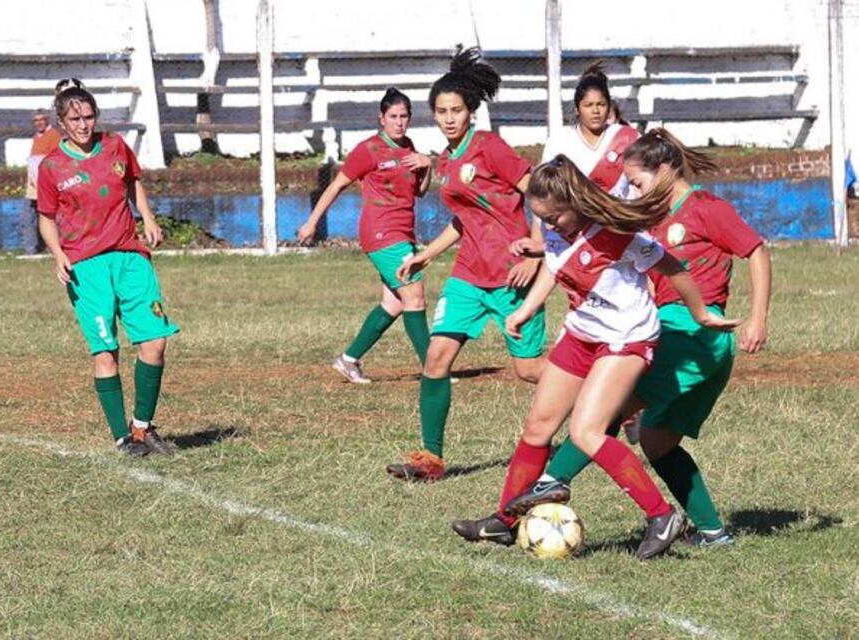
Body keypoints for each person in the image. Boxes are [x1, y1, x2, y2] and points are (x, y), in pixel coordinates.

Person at [450, 155, 740, 559]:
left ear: (575, 204)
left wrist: (700, 313)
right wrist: (527, 308)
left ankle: (661, 516)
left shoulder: (614, 233)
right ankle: (506, 520)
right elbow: (554, 266)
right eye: (540, 218)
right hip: (582, 333)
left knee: (588, 431)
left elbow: (673, 266)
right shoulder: (553, 228)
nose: (547, 226)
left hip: (626, 339)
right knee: (538, 426)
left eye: (554, 218)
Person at [531, 129, 772, 547]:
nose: (634, 190)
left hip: (693, 334)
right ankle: (714, 533)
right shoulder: (651, 216)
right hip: (686, 336)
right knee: (657, 441)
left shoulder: (704, 208)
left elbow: (756, 250)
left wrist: (757, 318)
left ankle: (549, 482)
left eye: (638, 182)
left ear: (664, 171)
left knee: (603, 412)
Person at [384, 47, 547, 482]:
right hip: (468, 277)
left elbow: (541, 194)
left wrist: (535, 248)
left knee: (530, 370)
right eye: (441, 111)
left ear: (471, 112)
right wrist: (427, 253)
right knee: (436, 359)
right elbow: (465, 218)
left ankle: (615, 400)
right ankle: (430, 460)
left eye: (456, 110)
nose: (449, 117)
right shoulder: (449, 159)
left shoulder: (491, 148)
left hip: (512, 274)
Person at [36, 79, 179, 457]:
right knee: (106, 352)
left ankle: (143, 428)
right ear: (61, 123)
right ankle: (122, 437)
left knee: (155, 342)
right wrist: (57, 253)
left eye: (88, 116)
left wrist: (147, 217)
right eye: (75, 118)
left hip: (130, 256)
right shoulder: (52, 166)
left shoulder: (115, 145)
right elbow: (45, 218)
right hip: (86, 266)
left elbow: (133, 182)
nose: (83, 124)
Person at [297, 88, 433, 383]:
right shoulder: (368, 150)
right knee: (415, 296)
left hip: (403, 231)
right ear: (381, 118)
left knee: (395, 303)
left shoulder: (409, 147)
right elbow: (335, 186)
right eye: (393, 117)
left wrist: (427, 165)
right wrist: (311, 222)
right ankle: (434, 370)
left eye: (404, 116)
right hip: (381, 232)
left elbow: (420, 192)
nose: (399, 122)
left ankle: (348, 359)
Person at [540, 62, 639, 198]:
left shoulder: (627, 137)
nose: (595, 111)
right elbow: (544, 190)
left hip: (620, 217)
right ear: (577, 109)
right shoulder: (559, 142)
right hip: (576, 218)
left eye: (601, 104)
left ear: (609, 106)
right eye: (588, 105)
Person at [23, 109, 63, 254]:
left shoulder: (54, 136)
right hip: (33, 180)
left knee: (51, 215)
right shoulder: (37, 137)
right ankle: (31, 248)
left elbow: (54, 160)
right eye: (36, 120)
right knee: (28, 216)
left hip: (46, 180)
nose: (39, 123)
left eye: (41, 119)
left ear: (47, 120)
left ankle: (55, 247)